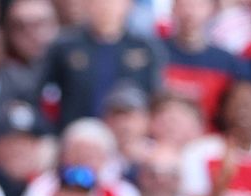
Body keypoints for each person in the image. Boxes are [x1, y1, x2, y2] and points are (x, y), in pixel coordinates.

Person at [33, 0, 163, 131]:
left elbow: (155, 97)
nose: (106, 6)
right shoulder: (65, 46)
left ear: (128, 5)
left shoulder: (145, 48)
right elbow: (40, 92)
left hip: (128, 136)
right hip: (77, 134)